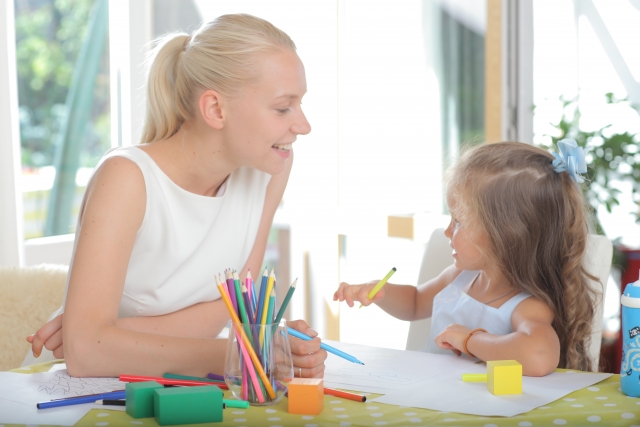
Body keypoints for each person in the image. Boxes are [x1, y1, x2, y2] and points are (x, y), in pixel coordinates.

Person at [26, 13, 326, 379]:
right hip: (79, 393)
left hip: (175, 381)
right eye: (283, 107)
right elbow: (86, 355)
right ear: (216, 109)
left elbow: (231, 306)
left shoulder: (268, 169)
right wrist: (242, 354)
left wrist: (117, 336)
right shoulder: (126, 179)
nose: (303, 125)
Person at [334, 140, 598, 376]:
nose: (448, 231)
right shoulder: (460, 278)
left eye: (459, 221)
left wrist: (470, 340)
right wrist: (381, 292)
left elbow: (539, 356)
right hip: (432, 400)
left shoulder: (526, 305)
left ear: (506, 235)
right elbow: (415, 303)